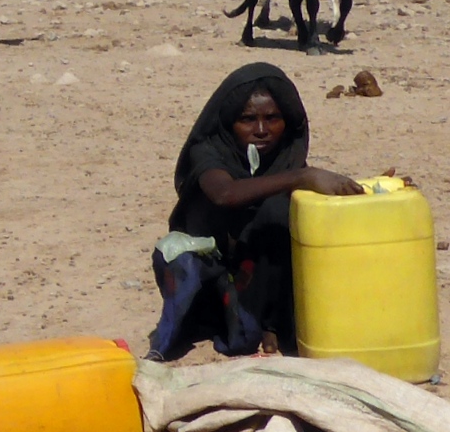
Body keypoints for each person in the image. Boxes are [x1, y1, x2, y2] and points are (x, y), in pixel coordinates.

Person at [150, 63, 364, 359]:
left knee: (287, 216)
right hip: (210, 270)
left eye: (272, 118)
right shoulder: (209, 151)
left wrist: (371, 189)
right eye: (248, 119)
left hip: (257, 272)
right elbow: (225, 193)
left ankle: (271, 321)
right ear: (229, 122)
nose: (262, 130)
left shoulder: (283, 154)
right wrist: (301, 177)